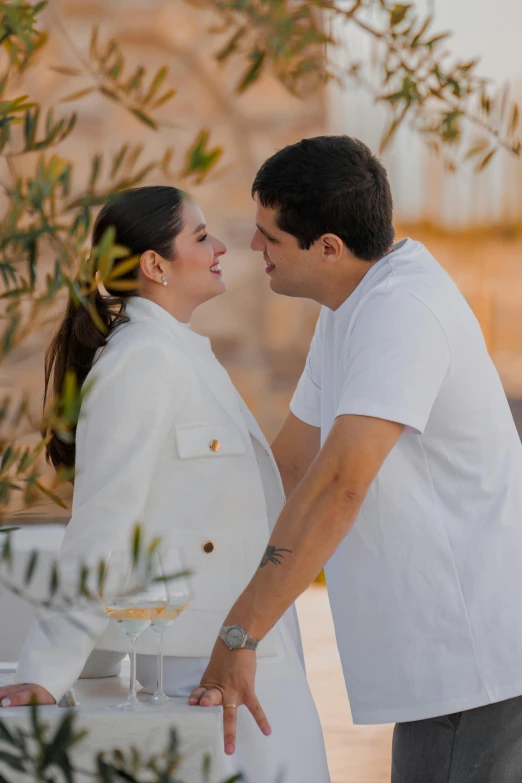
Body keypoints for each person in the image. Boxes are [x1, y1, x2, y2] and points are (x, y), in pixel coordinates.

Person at [188, 136, 522, 783]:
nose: (252, 248)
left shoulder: (403, 310)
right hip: (439, 663)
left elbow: (339, 483)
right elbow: (289, 465)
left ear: (329, 248)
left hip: (478, 657)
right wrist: (194, 557)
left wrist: (240, 634)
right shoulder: (349, 308)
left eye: (269, 237)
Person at [0, 186, 330, 783]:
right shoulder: (142, 361)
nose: (221, 247)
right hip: (201, 668)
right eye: (200, 237)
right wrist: (47, 671)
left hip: (244, 647)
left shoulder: (179, 352)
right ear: (154, 265)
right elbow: (104, 522)